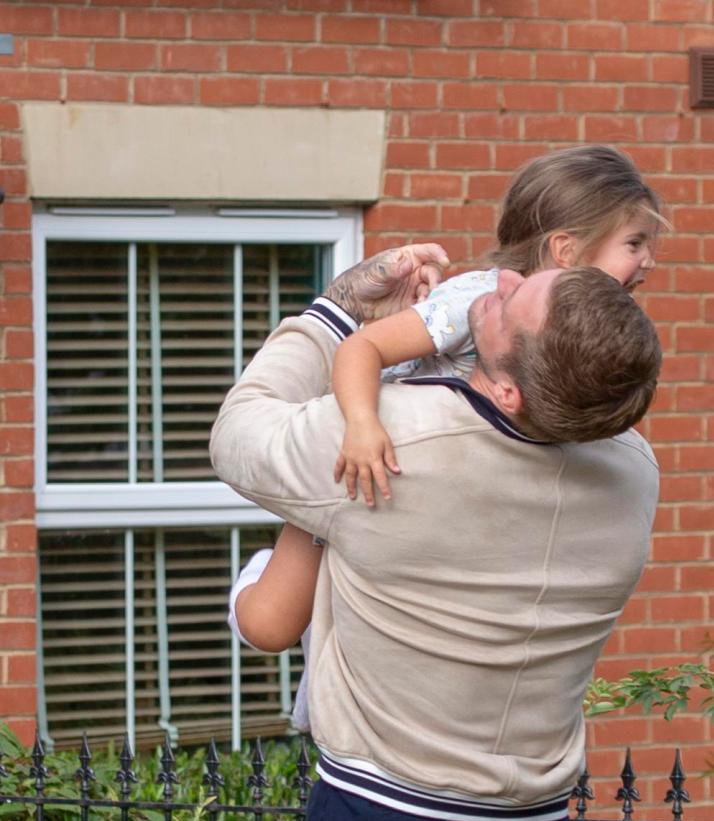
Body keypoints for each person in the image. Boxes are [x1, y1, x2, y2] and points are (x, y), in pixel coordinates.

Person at [210, 242, 662, 821]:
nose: (499, 277)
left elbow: (239, 434)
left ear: (508, 389)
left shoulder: (398, 439)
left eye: (508, 302)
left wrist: (336, 312)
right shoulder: (635, 474)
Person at [228, 145, 662, 725]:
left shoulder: (584, 364)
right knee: (268, 622)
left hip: (410, 494)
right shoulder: (478, 299)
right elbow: (364, 348)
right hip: (371, 462)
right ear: (564, 249)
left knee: (285, 625)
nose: (649, 262)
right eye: (634, 244)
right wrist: (360, 423)